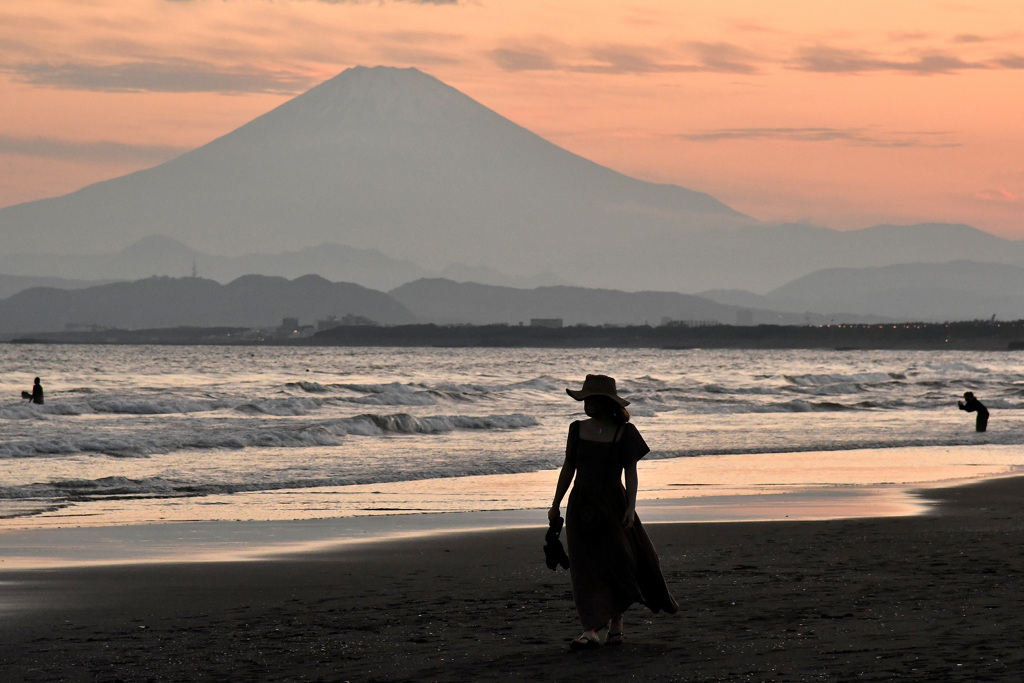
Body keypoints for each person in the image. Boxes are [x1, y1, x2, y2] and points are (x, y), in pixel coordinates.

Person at [549, 374, 678, 650]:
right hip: (580, 507)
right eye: (585, 400)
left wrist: (631, 506)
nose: (587, 405)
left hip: (613, 503)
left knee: (617, 561)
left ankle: (616, 621)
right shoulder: (576, 429)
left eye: (593, 400)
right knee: (583, 568)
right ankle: (590, 630)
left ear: (607, 403)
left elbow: (631, 472)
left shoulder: (625, 432)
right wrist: (555, 503)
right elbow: (568, 468)